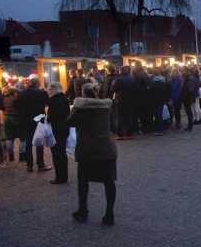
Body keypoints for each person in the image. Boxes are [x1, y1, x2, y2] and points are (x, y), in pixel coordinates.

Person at [67, 83, 117, 226]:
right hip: (107, 148)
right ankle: (109, 213)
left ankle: (83, 210)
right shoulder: (107, 107)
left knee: (83, 180)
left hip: (87, 148)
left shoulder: (81, 108)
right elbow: (113, 126)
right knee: (109, 181)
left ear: (82, 93)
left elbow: (69, 122)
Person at [16, 77, 52, 172]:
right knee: (39, 142)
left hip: (26, 119)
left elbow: (17, 105)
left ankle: (29, 165)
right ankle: (40, 164)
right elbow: (49, 103)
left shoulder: (22, 93)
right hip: (39, 119)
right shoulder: (42, 93)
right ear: (38, 84)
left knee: (28, 142)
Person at [46, 82, 70, 184]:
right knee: (63, 154)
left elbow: (51, 117)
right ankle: (64, 176)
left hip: (55, 130)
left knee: (56, 155)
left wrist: (45, 119)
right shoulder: (65, 100)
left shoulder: (52, 101)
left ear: (52, 90)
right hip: (64, 129)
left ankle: (59, 177)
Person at [111, 66, 135, 140]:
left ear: (120, 71)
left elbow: (113, 89)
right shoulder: (132, 78)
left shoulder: (118, 79)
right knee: (129, 116)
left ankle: (120, 134)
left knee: (120, 117)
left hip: (120, 100)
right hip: (130, 99)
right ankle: (130, 133)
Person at [2, 85, 26, 162]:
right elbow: (21, 97)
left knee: (9, 138)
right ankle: (21, 155)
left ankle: (11, 155)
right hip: (17, 118)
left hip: (7, 118)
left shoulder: (3, 98)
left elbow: (1, 106)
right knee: (22, 138)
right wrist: (17, 90)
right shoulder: (17, 97)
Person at [148, 67, 168, 136]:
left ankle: (159, 130)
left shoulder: (154, 82)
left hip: (156, 100)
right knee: (160, 115)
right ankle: (161, 129)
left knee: (157, 115)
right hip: (161, 100)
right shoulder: (163, 81)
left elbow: (151, 92)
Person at [180, 66, 196, 132]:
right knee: (188, 112)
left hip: (188, 98)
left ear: (187, 71)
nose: (182, 72)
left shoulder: (189, 78)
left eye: (183, 70)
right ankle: (189, 125)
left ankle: (190, 126)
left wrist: (184, 95)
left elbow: (189, 89)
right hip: (187, 97)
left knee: (189, 112)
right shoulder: (187, 78)